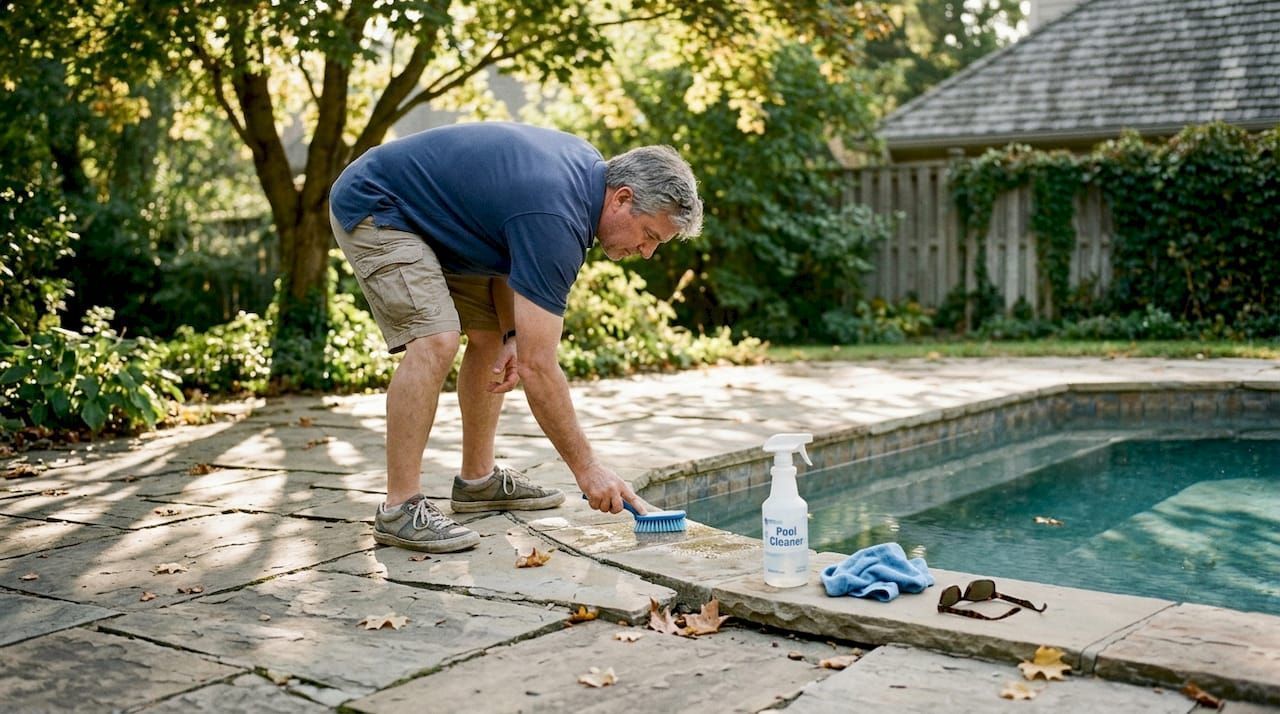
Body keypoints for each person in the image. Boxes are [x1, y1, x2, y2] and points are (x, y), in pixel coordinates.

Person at [328, 121, 702, 553]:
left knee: (491, 341)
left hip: (441, 222)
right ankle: (400, 508)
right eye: (650, 235)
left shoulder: (581, 181)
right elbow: (538, 367)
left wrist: (511, 332)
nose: (648, 252)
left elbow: (511, 244)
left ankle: (478, 480)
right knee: (436, 340)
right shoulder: (558, 215)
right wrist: (588, 469)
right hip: (381, 204)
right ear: (622, 198)